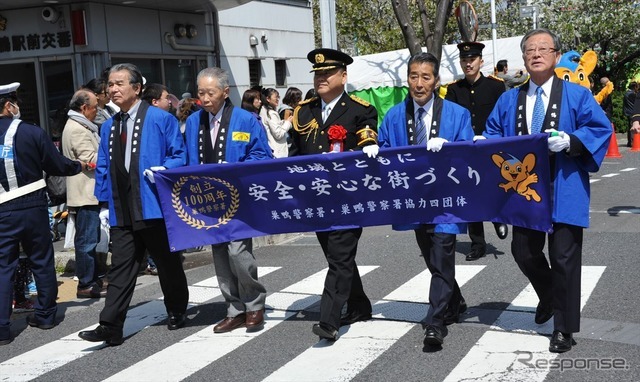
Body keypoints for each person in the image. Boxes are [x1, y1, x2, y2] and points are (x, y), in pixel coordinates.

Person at [484, 29, 611, 353]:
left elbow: (599, 127)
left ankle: (563, 328)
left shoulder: (577, 94)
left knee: (564, 257)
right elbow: (493, 132)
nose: (536, 54)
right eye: (530, 50)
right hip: (525, 191)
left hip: (564, 185)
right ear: (524, 57)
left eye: (544, 48)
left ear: (556, 55)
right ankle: (553, 297)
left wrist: (572, 141)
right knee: (523, 251)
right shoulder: (509, 98)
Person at [78, 63, 189, 346]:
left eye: (119, 84)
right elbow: (103, 166)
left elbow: (180, 154)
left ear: (136, 88)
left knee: (166, 262)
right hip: (121, 207)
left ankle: (176, 309)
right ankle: (110, 326)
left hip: (153, 204)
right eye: (110, 85)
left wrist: (163, 169)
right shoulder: (108, 126)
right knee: (121, 268)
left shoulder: (160, 119)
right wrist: (103, 203)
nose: (112, 89)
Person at [376, 52, 474, 347]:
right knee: (432, 258)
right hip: (414, 200)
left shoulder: (457, 114)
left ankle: (436, 321)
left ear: (436, 81)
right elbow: (383, 146)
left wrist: (451, 147)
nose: (419, 83)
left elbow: (469, 151)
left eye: (426, 77)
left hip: (447, 199)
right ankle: (455, 301)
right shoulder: (394, 115)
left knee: (443, 253)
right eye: (413, 76)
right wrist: (374, 149)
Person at [289, 48, 378, 341]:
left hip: (349, 199)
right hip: (316, 198)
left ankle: (329, 321)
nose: (321, 78)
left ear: (343, 75)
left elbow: (367, 142)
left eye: (327, 73)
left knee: (339, 257)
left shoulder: (360, 109)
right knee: (337, 257)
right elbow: (293, 156)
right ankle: (360, 305)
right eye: (317, 74)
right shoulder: (303, 110)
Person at [184, 67, 272, 333]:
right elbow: (186, 157)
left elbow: (262, 155)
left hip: (238, 197)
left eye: (211, 92)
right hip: (207, 200)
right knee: (220, 254)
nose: (205, 98)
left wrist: (235, 168)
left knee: (238, 251)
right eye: (201, 93)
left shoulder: (245, 120)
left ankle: (254, 305)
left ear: (225, 92)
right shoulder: (192, 122)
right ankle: (234, 308)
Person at [0, 82, 86, 345]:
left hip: (2, 210)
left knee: (4, 267)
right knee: (41, 259)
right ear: (7, 105)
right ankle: (46, 316)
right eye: (15, 101)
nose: (17, 106)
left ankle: (2, 329)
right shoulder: (31, 132)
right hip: (33, 205)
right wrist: (77, 165)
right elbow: (56, 164)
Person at [445, 42, 509, 261]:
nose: (468, 64)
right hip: (466, 150)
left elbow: (502, 117)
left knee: (492, 188)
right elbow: (450, 118)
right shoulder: (454, 89)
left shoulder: (495, 86)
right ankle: (478, 243)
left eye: (472, 59)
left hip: (490, 147)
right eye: (464, 60)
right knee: (470, 195)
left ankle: (498, 216)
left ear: (481, 61)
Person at [61, 89, 106, 299]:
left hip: (88, 191)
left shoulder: (82, 125)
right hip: (85, 191)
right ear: (83, 107)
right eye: (95, 106)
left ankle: (94, 279)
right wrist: (109, 150)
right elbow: (90, 159)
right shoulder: (78, 129)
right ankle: (86, 283)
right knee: (87, 240)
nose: (97, 110)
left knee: (90, 237)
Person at [260, 88, 293, 158]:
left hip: (271, 149)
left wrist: (284, 122)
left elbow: (274, 126)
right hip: (278, 152)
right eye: (275, 97)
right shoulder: (271, 113)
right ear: (268, 99)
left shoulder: (263, 110)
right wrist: (288, 123)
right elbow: (278, 134)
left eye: (278, 97)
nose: (278, 99)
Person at [623, 81, 637, 147]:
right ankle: (632, 141)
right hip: (633, 112)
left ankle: (630, 141)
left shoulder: (626, 94)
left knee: (630, 127)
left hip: (628, 112)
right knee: (633, 127)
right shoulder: (633, 94)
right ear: (635, 87)